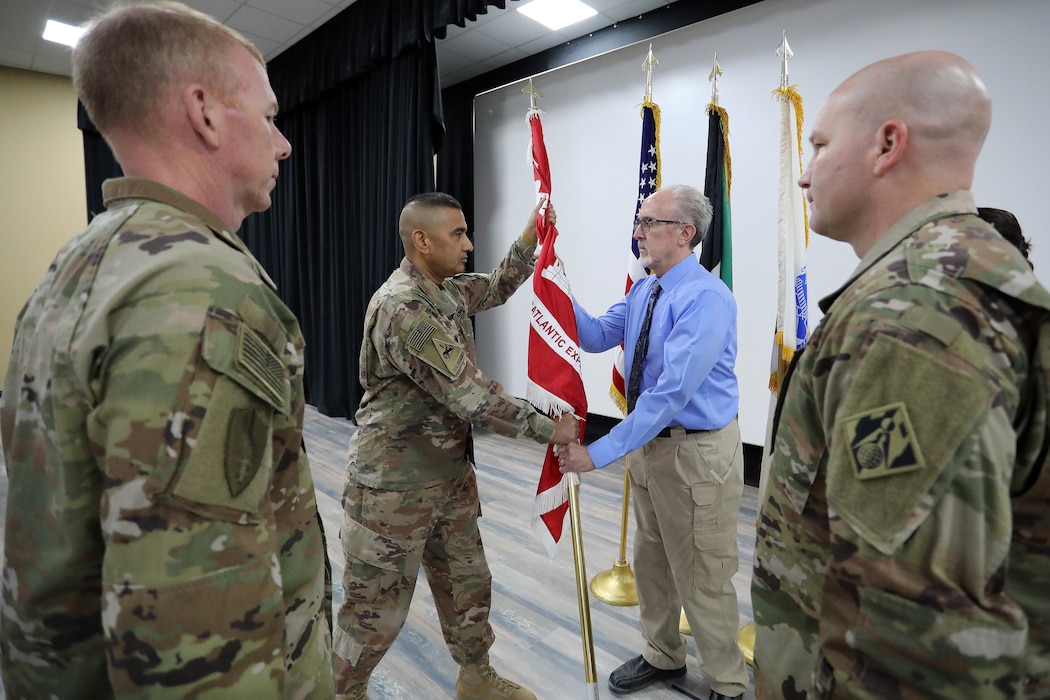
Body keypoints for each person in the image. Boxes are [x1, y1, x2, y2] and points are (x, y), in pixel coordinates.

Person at [0, 2, 334, 697]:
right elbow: (196, 638)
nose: (283, 144)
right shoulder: (199, 284)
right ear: (206, 113)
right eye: (268, 116)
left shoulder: (79, 263)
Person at [751, 50, 1050, 698]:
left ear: (887, 144)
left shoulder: (919, 312)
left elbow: (908, 644)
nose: (804, 176)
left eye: (821, 144)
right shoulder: (940, 281)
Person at [335, 192, 579, 700]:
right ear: (421, 241)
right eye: (458, 234)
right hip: (394, 490)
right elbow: (471, 397)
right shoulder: (405, 307)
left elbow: (493, 287)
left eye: (467, 232)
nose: (468, 244)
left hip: (448, 477)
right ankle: (344, 690)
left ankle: (475, 676)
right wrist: (548, 428)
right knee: (373, 610)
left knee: (467, 586)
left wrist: (530, 236)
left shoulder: (443, 289)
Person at [557, 184, 749, 700]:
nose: (638, 232)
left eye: (649, 222)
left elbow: (668, 396)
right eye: (640, 222)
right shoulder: (647, 288)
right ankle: (662, 655)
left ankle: (728, 686)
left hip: (696, 455)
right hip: (651, 450)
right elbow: (597, 335)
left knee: (702, 575)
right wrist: (552, 285)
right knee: (653, 560)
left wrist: (594, 453)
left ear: (685, 234)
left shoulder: (706, 298)